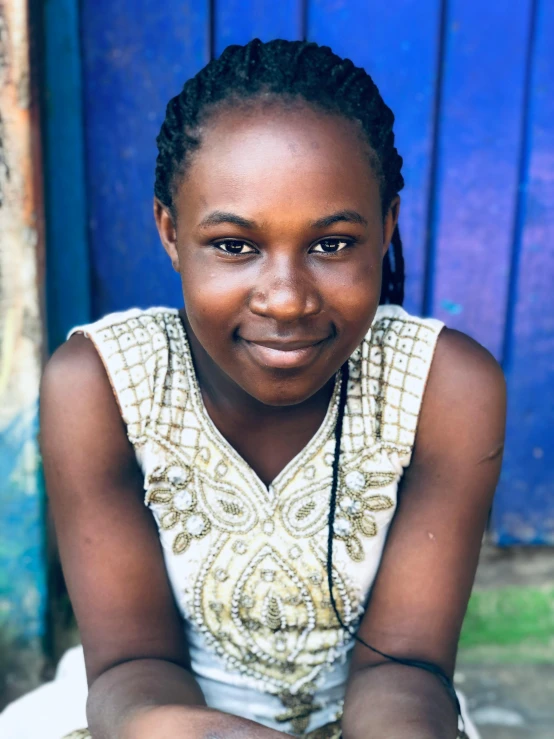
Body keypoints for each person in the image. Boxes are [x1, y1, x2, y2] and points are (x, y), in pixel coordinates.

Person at [1, 38, 505, 739]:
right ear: (171, 232)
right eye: (235, 245)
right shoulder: (100, 388)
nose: (287, 298)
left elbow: (407, 665)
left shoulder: (447, 389)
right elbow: (129, 666)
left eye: (331, 244)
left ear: (386, 229)